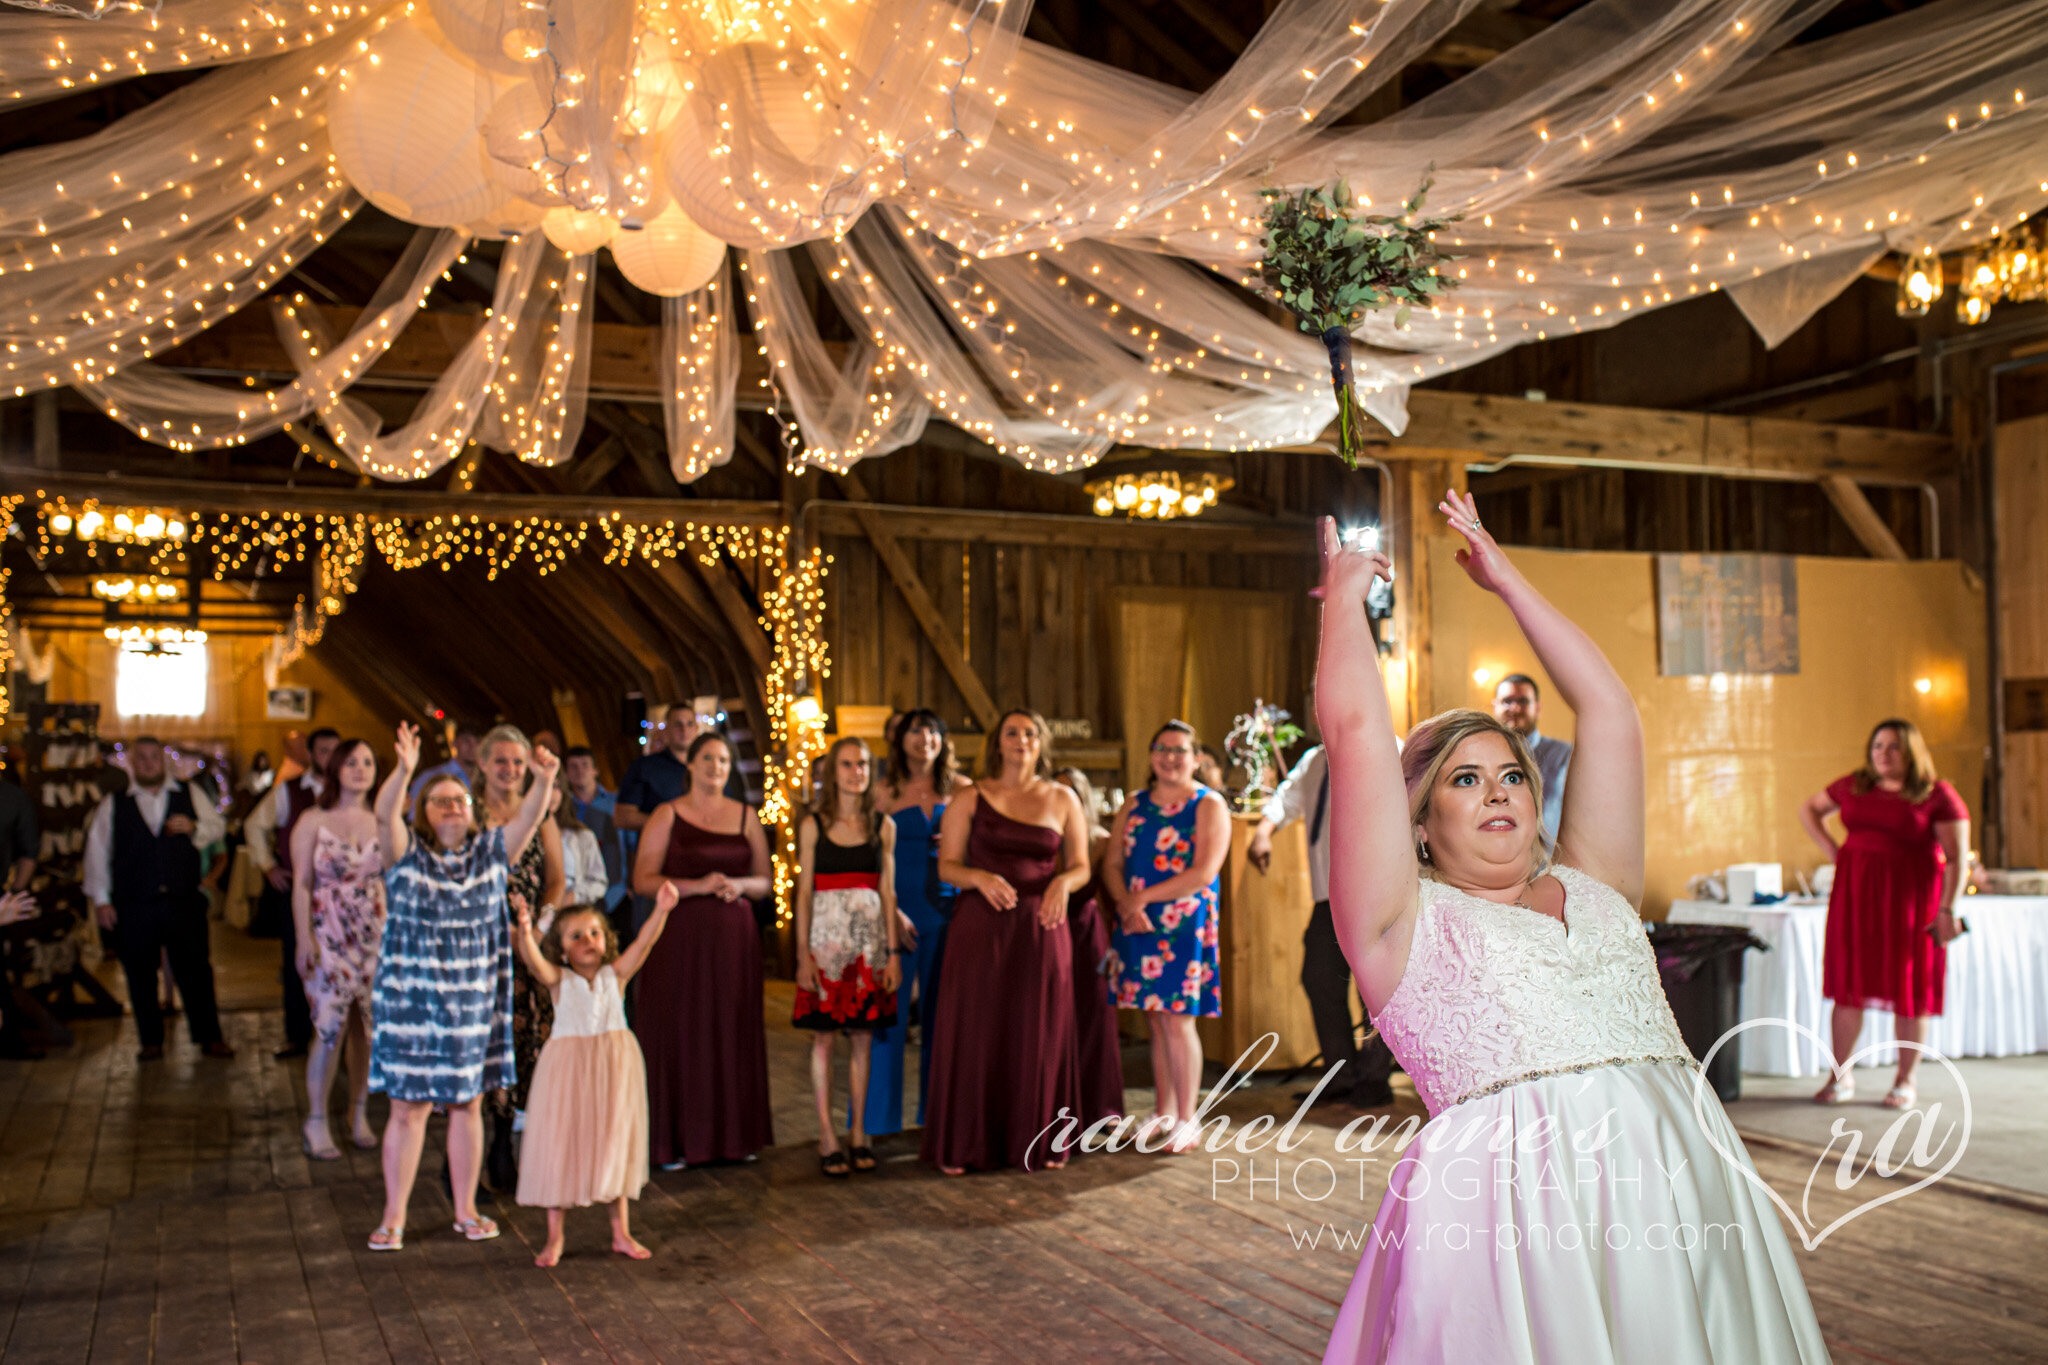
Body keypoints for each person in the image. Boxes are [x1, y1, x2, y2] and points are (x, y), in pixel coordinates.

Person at [1316, 495, 1827, 1364]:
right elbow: (1356, 729)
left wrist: (1506, 579)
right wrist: (1341, 600)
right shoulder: (1400, 926)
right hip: (1512, 1216)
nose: (1499, 792)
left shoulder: (1597, 885)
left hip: (1681, 1179)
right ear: (1419, 821)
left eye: (1511, 774)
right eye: (1465, 780)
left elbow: (1613, 711)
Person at [366, 721, 555, 1252]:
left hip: (471, 1003)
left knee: (467, 1105)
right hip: (411, 1003)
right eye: (440, 801)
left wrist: (542, 780)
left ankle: (466, 1208)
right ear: (423, 812)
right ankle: (394, 1214)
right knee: (408, 1109)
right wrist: (404, 770)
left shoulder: (491, 856)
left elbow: (530, 818)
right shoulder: (406, 858)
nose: (452, 807)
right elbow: (384, 815)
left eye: (459, 801)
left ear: (473, 811)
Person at [923, 709, 1092, 1174]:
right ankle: (965, 1142)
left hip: (1042, 927)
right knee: (978, 1030)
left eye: (1031, 733)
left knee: (1040, 1030)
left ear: (1041, 744)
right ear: (997, 743)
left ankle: (1039, 1139)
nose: (1021, 740)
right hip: (982, 927)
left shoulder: (1062, 798)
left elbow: (1082, 865)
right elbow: (947, 866)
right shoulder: (971, 796)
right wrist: (978, 877)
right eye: (1012, 733)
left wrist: (1062, 884)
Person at [1799, 718, 1969, 1109]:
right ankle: (1839, 1076)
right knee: (1848, 983)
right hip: (1855, 896)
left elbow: (1957, 858)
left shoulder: (1936, 794)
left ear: (1911, 752)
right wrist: (1833, 851)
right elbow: (1809, 809)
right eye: (1877, 746)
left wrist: (1948, 909)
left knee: (1910, 987)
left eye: (1893, 747)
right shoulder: (1855, 785)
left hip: (1911, 901)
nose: (1883, 754)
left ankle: (1905, 1080)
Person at [511, 886, 676, 1267]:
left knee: (612, 1145)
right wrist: (524, 928)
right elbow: (533, 962)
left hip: (613, 1070)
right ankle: (555, 1238)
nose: (588, 941)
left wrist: (662, 910)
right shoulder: (559, 981)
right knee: (563, 1146)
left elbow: (645, 944)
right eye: (576, 936)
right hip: (569, 1074)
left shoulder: (614, 976)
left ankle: (621, 1232)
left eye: (595, 933)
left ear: (607, 940)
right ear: (563, 949)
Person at [631, 732, 775, 1168]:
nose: (716, 767)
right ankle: (675, 1140)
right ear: (690, 766)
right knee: (682, 1031)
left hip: (734, 942)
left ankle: (735, 1137)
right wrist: (694, 887)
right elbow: (642, 880)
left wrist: (739, 886)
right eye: (708, 759)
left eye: (724, 761)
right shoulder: (667, 814)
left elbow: (764, 880)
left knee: (731, 1028)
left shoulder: (746, 815)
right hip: (680, 939)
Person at [1248, 734, 1397, 1108]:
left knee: (1375, 991)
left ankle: (1375, 1078)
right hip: (1328, 895)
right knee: (1318, 979)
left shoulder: (1386, 746)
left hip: (1374, 892)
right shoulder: (1316, 759)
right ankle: (1341, 1075)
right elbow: (1288, 797)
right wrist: (1263, 831)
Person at [1104, 721, 1228, 1153]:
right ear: (1152, 755)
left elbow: (1204, 872)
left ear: (1196, 758)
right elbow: (1112, 864)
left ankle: (1188, 1118)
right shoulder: (1135, 804)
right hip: (1137, 921)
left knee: (1177, 1020)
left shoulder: (1207, 804)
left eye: (1180, 750)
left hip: (1182, 924)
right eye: (1162, 748)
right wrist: (1125, 902)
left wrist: (1140, 899)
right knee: (1155, 1020)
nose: (1171, 757)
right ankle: (1164, 1111)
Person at [85, 736, 232, 1063]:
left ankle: (210, 1037)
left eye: (154, 757)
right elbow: (97, 852)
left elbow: (219, 827)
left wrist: (194, 828)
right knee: (139, 973)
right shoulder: (114, 803)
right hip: (134, 902)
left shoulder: (188, 793)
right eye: (142, 758)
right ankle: (150, 1041)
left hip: (183, 899)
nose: (149, 763)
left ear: (163, 761)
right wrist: (101, 899)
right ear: (133, 763)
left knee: (195, 970)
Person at [793, 738, 900, 1176]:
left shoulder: (882, 826)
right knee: (823, 1039)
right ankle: (827, 1134)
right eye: (846, 764)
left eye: (862, 764)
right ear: (831, 771)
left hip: (868, 948)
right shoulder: (813, 824)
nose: (855, 771)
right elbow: (803, 893)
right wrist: (802, 954)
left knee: (861, 1039)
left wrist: (892, 953)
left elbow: (887, 892)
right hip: (825, 946)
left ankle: (858, 1132)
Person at [865, 708, 971, 1137]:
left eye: (932, 729)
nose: (923, 737)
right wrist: (891, 911)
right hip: (897, 911)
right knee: (886, 1017)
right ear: (900, 740)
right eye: (914, 730)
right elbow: (868, 858)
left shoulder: (964, 791)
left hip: (950, 913)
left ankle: (936, 1116)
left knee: (941, 1019)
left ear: (943, 740)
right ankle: (878, 1119)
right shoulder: (883, 793)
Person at [476, 724, 566, 1190]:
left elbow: (556, 881)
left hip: (529, 946)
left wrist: (539, 929)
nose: (510, 770)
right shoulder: (471, 813)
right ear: (483, 764)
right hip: (481, 947)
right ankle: (483, 1144)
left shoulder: (541, 816)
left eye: (518, 762)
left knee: (527, 1039)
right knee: (486, 1043)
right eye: (502, 761)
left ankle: (515, 1140)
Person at [289, 737, 385, 1159]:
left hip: (373, 934)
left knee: (365, 1029)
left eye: (367, 761)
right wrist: (302, 937)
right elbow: (301, 884)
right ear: (336, 770)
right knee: (330, 1029)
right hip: (328, 934)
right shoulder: (313, 819)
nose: (360, 769)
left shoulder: (383, 820)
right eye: (351, 762)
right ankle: (316, 1118)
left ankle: (358, 1110)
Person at [249, 727, 339, 1060]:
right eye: (323, 751)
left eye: (335, 750)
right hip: (300, 890)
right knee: (298, 962)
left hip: (342, 899)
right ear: (311, 755)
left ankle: (339, 1038)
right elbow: (253, 825)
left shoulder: (353, 791)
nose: (330, 758)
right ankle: (298, 1036)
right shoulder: (290, 791)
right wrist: (268, 865)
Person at [1054, 766, 1126, 1126]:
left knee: (1095, 1019)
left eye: (1073, 793)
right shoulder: (1046, 841)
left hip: (1087, 936)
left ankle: (1102, 1109)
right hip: (1050, 934)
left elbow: (1113, 899)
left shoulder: (1099, 840)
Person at [1490, 674, 1571, 845]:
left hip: (1550, 864)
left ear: (1538, 708)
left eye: (1523, 701)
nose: (1515, 708)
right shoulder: (1481, 756)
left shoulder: (1564, 755)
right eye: (1507, 701)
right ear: (1495, 706)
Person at [562, 746, 629, 927]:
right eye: (573, 766)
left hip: (617, 893)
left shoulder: (616, 803)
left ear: (595, 770)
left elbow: (631, 842)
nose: (579, 771)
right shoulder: (562, 808)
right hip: (578, 897)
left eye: (584, 765)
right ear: (566, 773)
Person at [552, 788, 610, 908]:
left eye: (555, 786)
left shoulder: (582, 835)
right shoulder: (520, 834)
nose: (549, 793)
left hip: (575, 909)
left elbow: (599, 882)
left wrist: (575, 896)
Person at [406, 726, 479, 806]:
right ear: (453, 743)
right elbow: (414, 813)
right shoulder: (431, 777)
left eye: (478, 741)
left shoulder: (486, 778)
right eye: (466, 741)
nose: (473, 747)